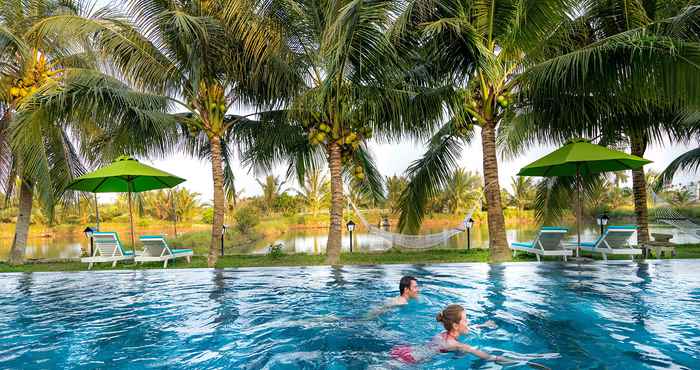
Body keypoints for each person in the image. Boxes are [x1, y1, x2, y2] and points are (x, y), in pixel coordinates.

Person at [390, 304, 505, 365]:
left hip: (406, 350)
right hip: (413, 359)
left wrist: (484, 325)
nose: (468, 322)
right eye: (465, 320)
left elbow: (464, 328)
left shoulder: (444, 333)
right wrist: (508, 359)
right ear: (455, 325)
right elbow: (487, 357)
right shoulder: (456, 344)